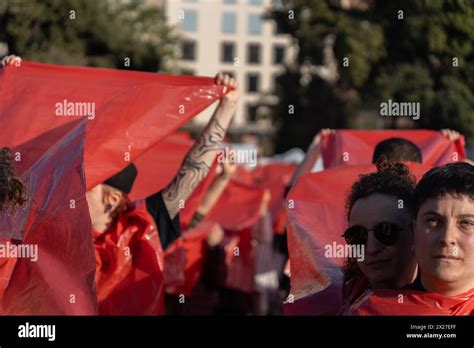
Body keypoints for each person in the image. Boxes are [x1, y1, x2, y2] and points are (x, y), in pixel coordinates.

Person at [341, 159, 418, 307]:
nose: (371, 248)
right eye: (358, 235)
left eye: (386, 231)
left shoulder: (454, 305)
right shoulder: (335, 300)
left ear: (416, 231)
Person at [413, 162, 474, 296]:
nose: (447, 238)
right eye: (433, 221)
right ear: (414, 230)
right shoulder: (374, 309)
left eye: (466, 223)